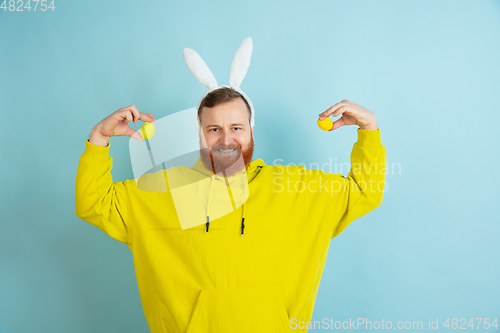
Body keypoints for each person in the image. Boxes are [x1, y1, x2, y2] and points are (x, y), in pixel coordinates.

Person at [75, 86, 386, 332]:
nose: (226, 139)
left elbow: (363, 191)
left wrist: (369, 130)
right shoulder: (161, 192)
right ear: (199, 134)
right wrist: (99, 138)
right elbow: (94, 202)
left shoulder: (295, 187)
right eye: (214, 130)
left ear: (251, 131)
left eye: (237, 127)